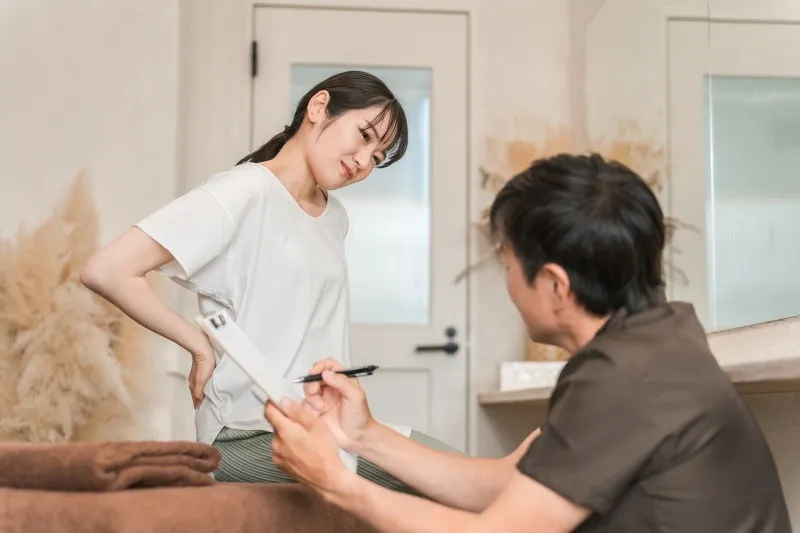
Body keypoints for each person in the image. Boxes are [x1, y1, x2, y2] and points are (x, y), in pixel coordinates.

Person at [265, 153, 791, 533]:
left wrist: (337, 483)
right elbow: (507, 485)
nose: (508, 282)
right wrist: (363, 436)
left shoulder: (625, 378)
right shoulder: (655, 340)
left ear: (556, 285)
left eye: (510, 265)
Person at [80, 70, 456, 488]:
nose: (365, 161)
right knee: (440, 482)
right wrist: (200, 347)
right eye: (365, 136)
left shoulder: (334, 217)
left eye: (378, 157)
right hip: (246, 430)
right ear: (319, 107)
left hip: (319, 425)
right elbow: (108, 270)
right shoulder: (245, 189)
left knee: (458, 473)